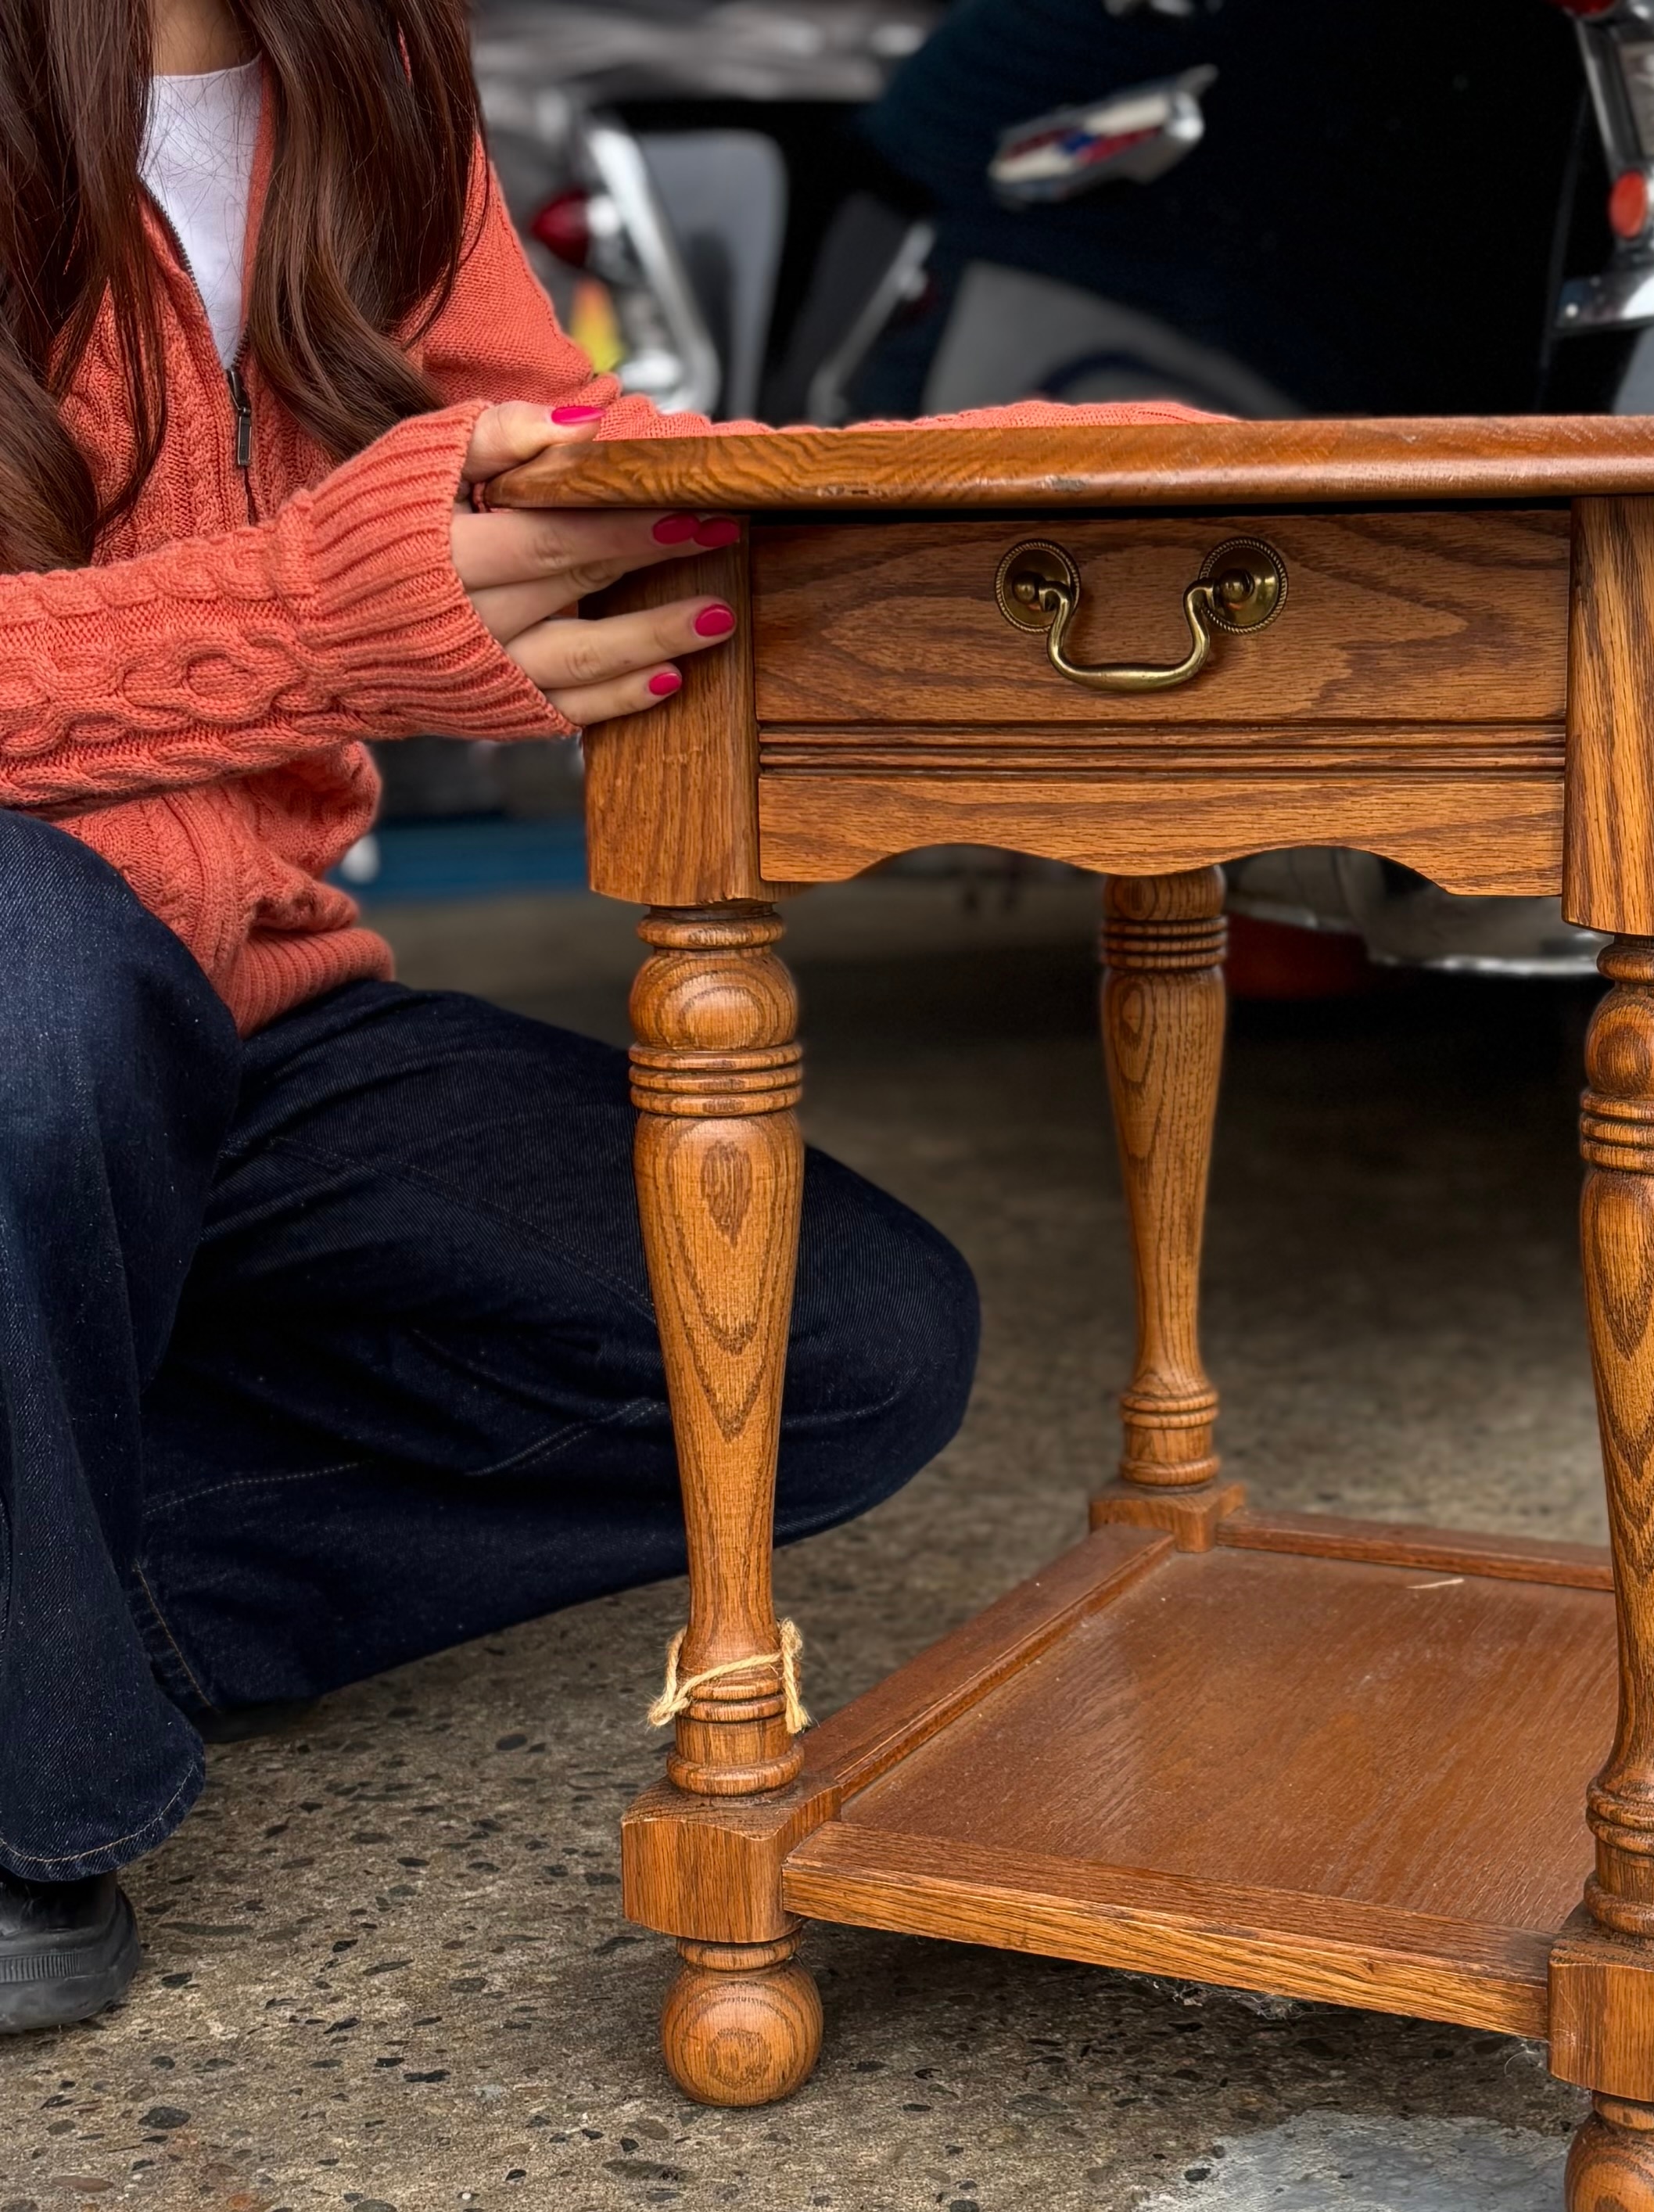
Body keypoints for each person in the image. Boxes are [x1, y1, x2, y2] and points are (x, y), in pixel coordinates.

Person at [0, 0, 985, 2034]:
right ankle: (36, 1788)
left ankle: (58, 1587)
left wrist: (973, 490)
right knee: (32, 999)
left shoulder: (367, 57)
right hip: (30, 980)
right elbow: (334, 600)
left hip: (248, 987)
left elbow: (555, 443)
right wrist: (301, 616)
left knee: (837, 1345)